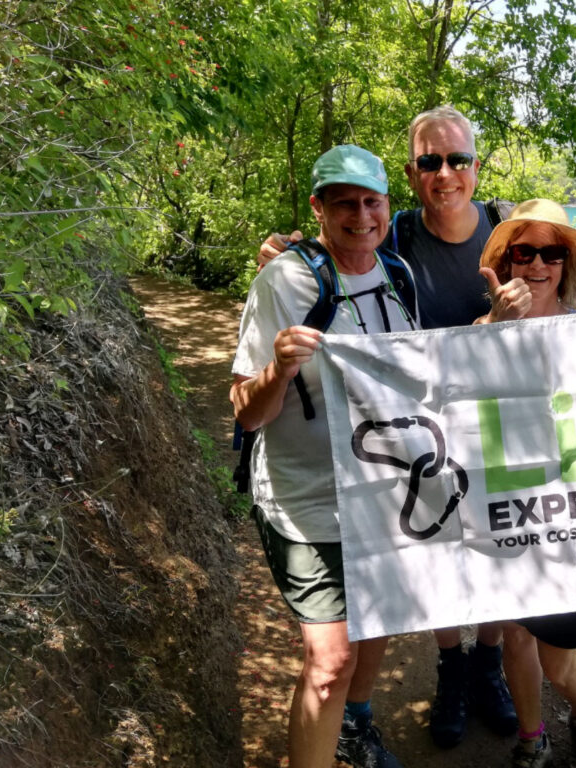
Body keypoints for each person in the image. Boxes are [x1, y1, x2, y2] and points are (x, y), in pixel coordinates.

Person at [257, 105, 518, 749]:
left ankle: (477, 675)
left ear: (477, 168)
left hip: (477, 435)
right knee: (363, 632)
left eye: (458, 159)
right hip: (376, 464)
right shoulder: (391, 243)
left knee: (464, 580)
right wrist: (284, 261)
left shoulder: (509, 231)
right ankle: (446, 675)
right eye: (430, 162)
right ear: (414, 173)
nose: (446, 172)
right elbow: (338, 254)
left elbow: (566, 292)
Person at [230, 145, 416, 768]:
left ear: (389, 206)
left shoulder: (399, 276)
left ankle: (355, 727)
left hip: (383, 493)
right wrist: (279, 368)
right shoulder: (283, 282)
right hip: (305, 498)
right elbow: (246, 412)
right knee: (330, 660)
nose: (360, 215)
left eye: (372, 201)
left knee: (379, 620)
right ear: (318, 208)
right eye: (344, 203)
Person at [475, 199, 576, 768]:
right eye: (523, 252)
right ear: (505, 262)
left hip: (570, 517)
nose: (536, 265)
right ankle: (533, 736)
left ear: (565, 264)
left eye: (550, 253)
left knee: (558, 659)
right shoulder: (481, 329)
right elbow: (456, 400)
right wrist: (499, 331)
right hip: (505, 507)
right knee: (512, 636)